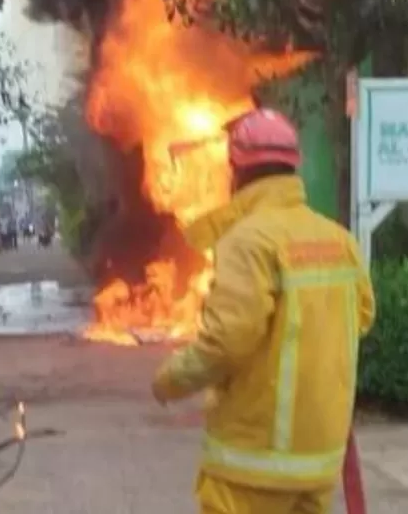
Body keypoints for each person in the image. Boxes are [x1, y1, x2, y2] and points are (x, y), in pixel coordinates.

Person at [151, 107, 376, 514]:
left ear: (234, 171)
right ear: (293, 168)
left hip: (253, 462)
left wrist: (170, 379)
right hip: (320, 459)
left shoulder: (247, 241)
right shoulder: (339, 241)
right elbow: (361, 318)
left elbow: (226, 341)